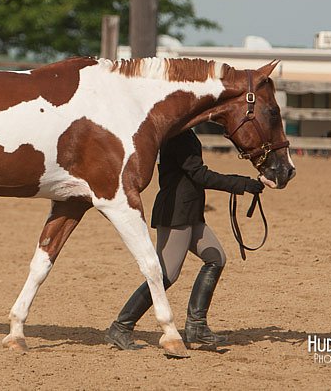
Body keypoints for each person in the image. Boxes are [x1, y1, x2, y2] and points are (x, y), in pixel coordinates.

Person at [105, 128, 265, 350]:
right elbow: (199, 174)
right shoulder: (178, 135)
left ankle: (196, 326)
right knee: (166, 274)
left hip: (190, 211)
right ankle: (121, 326)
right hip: (176, 212)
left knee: (216, 258)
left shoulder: (182, 133)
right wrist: (240, 184)